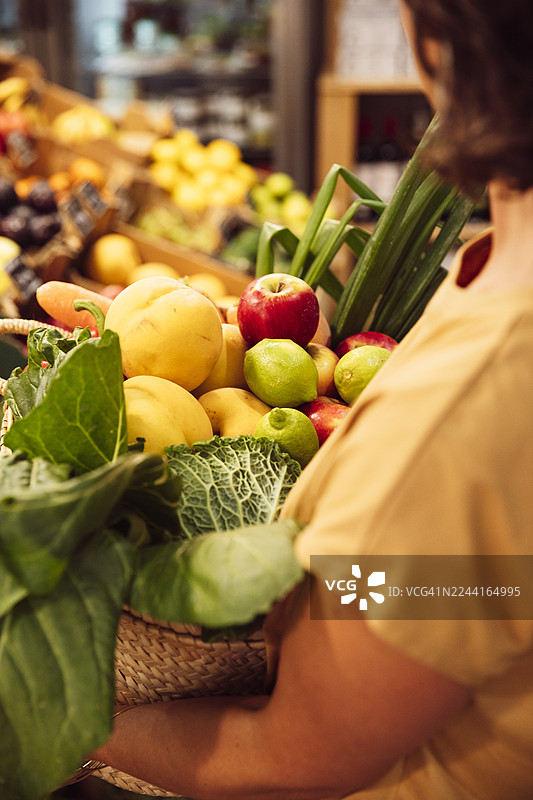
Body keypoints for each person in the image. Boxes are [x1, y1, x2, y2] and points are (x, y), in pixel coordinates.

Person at [88, 2, 533, 797]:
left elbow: (293, 759)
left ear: (442, 42)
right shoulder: (494, 265)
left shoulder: (461, 414)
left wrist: (66, 718)